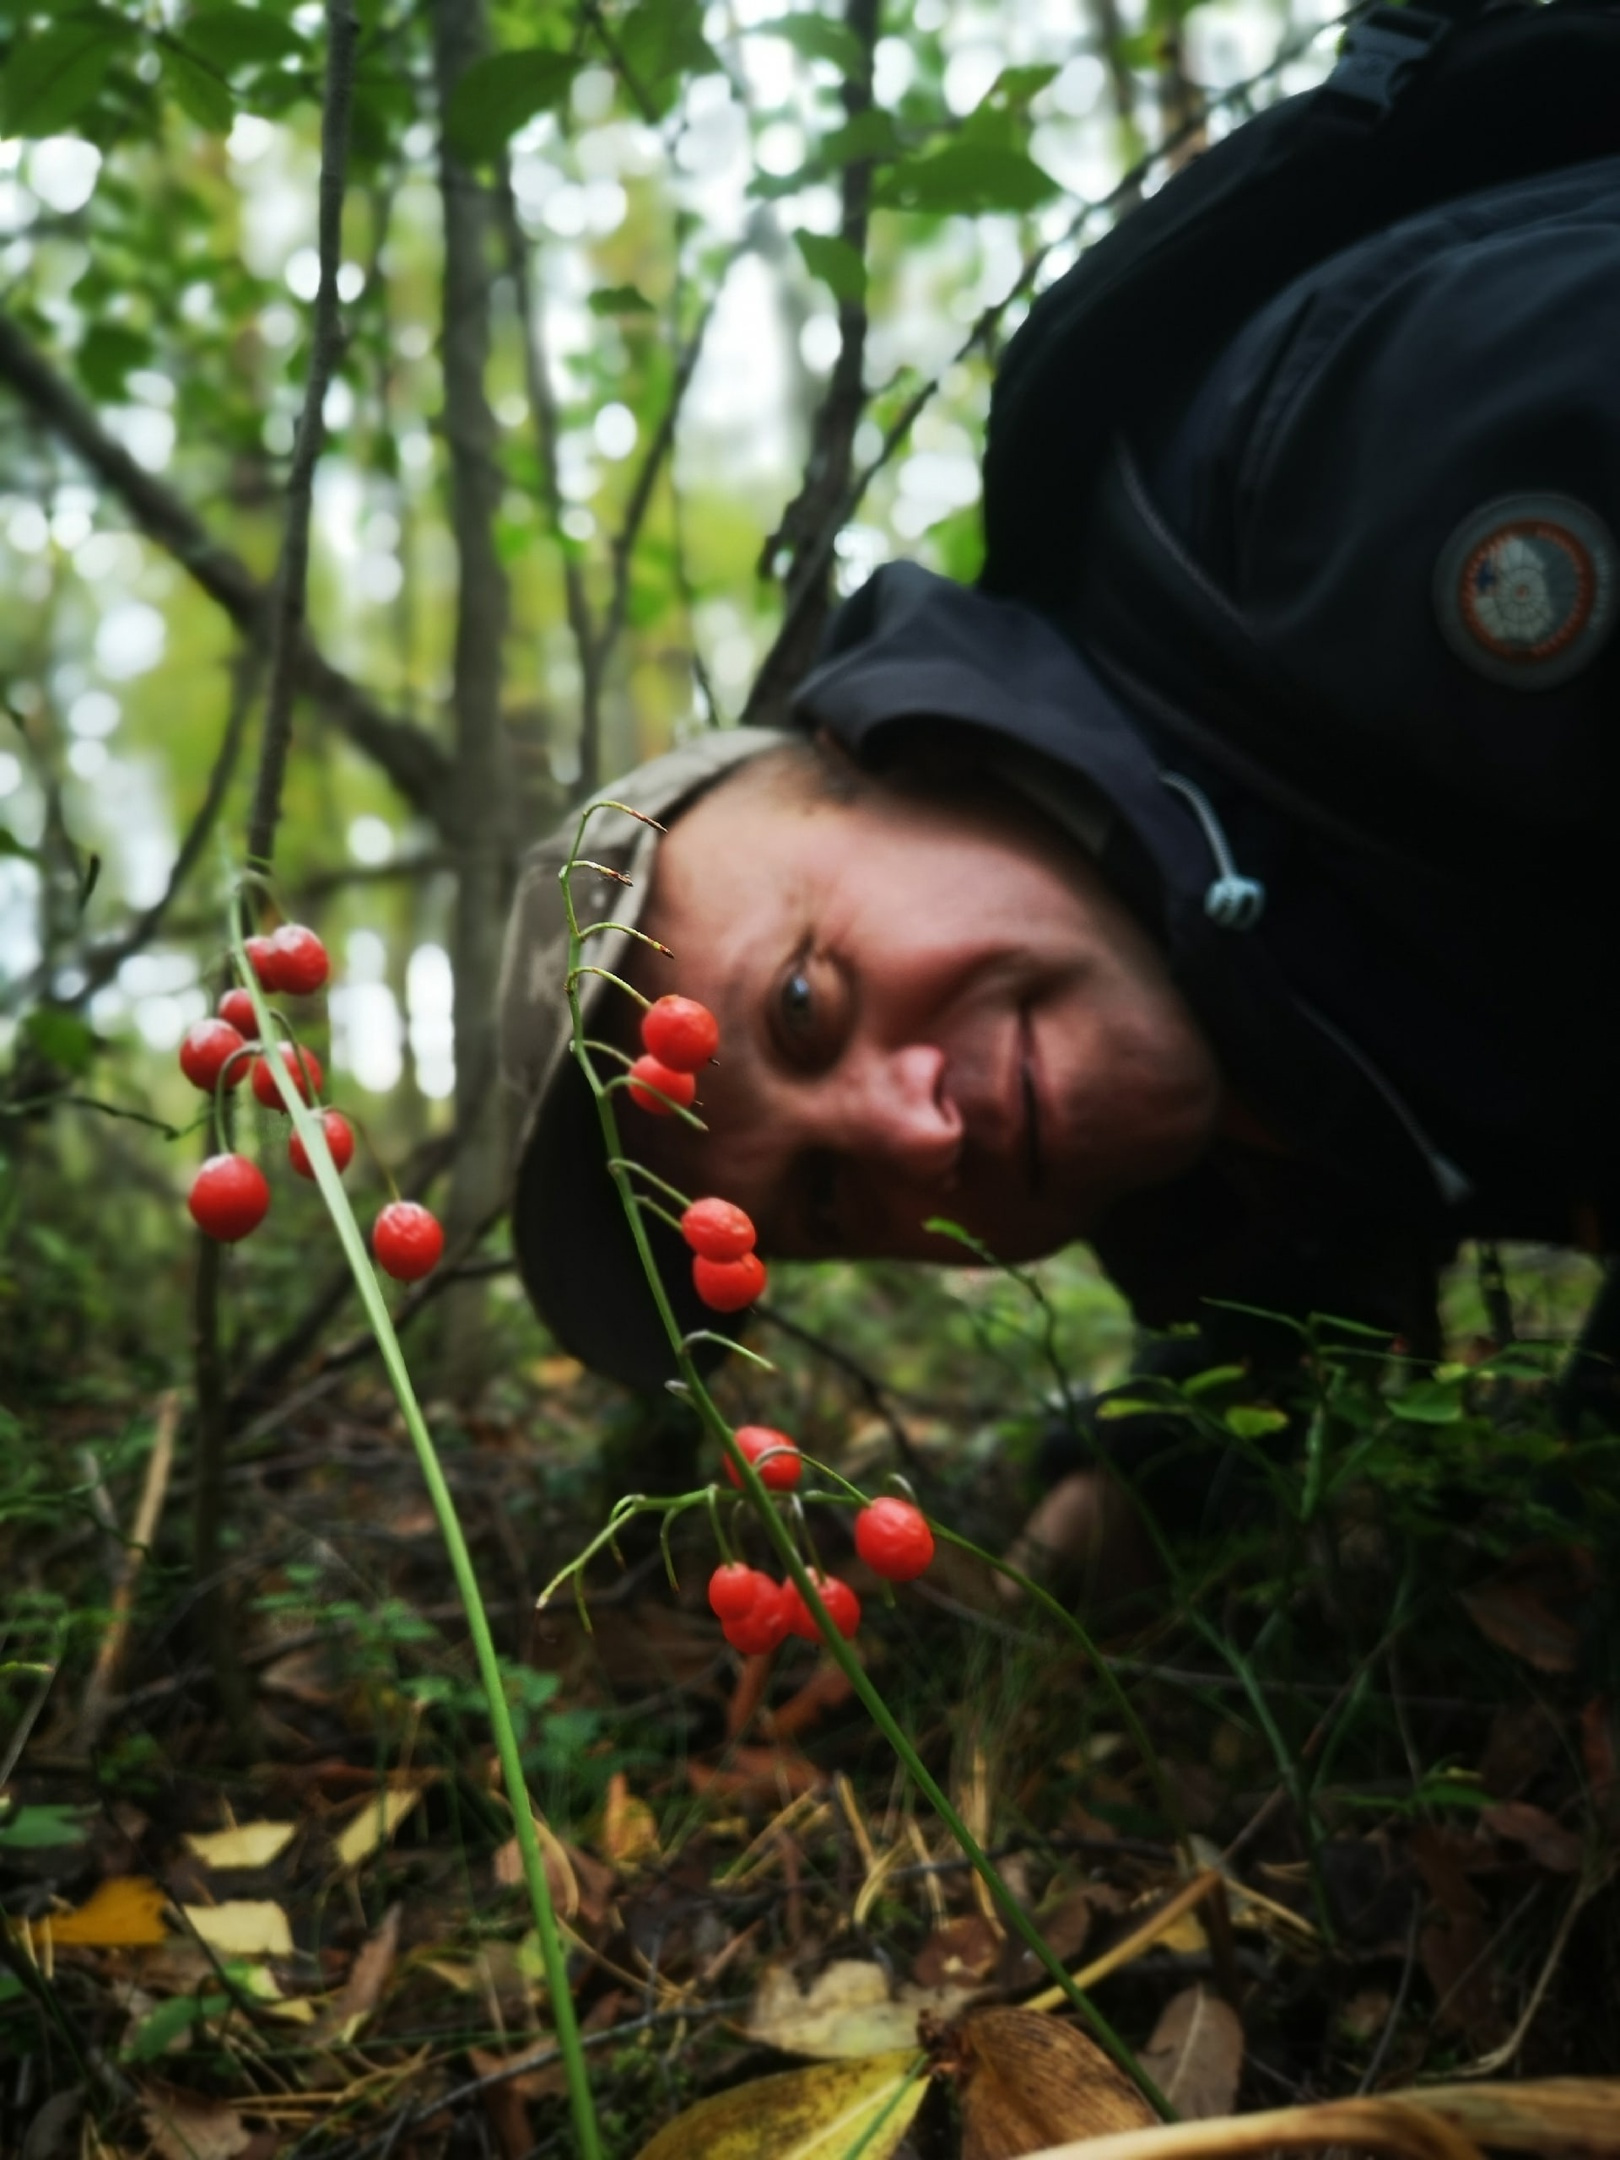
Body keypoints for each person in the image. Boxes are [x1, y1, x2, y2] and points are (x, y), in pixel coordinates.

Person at [498, 80, 1620, 1587]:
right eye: (824, 1201)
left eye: (807, 1006)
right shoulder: (1225, 1019)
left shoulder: (1355, 477)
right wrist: (1138, 1483)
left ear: (883, 760)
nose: (917, 1138)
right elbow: (1292, 1253)